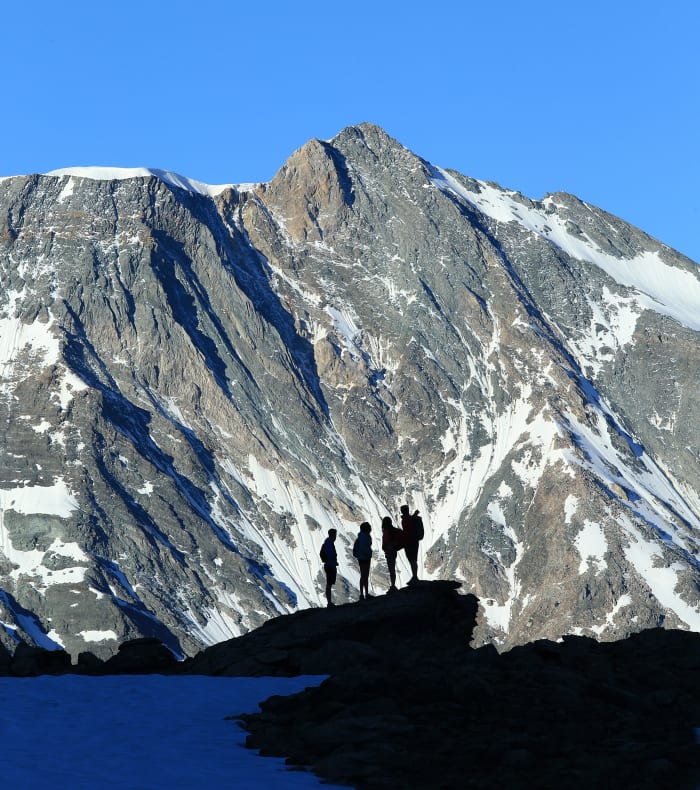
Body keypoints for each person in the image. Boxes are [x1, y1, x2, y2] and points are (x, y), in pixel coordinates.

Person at [400, 504, 424, 584]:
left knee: (412, 560)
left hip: (408, 542)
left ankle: (414, 577)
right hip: (414, 541)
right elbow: (411, 521)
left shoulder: (405, 520)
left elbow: (407, 527)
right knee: (414, 560)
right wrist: (415, 514)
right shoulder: (411, 518)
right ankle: (415, 576)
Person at [381, 515, 404, 593]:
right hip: (393, 551)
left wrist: (387, 547)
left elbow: (385, 543)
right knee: (392, 569)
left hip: (389, 552)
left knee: (391, 570)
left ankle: (393, 586)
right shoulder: (392, 530)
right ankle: (393, 585)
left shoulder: (386, 531)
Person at [352, 521, 373, 601]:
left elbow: (355, 548)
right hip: (367, 557)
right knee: (366, 576)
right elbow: (369, 545)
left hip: (361, 558)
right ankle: (366, 594)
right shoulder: (368, 537)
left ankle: (361, 595)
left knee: (362, 576)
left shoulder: (359, 538)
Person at [320, 528, 339, 607]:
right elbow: (331, 555)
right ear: (333, 535)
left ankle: (329, 602)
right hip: (330, 565)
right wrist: (333, 562)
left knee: (329, 584)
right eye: (335, 535)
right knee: (329, 584)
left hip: (329, 565)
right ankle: (329, 602)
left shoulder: (327, 543)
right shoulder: (329, 543)